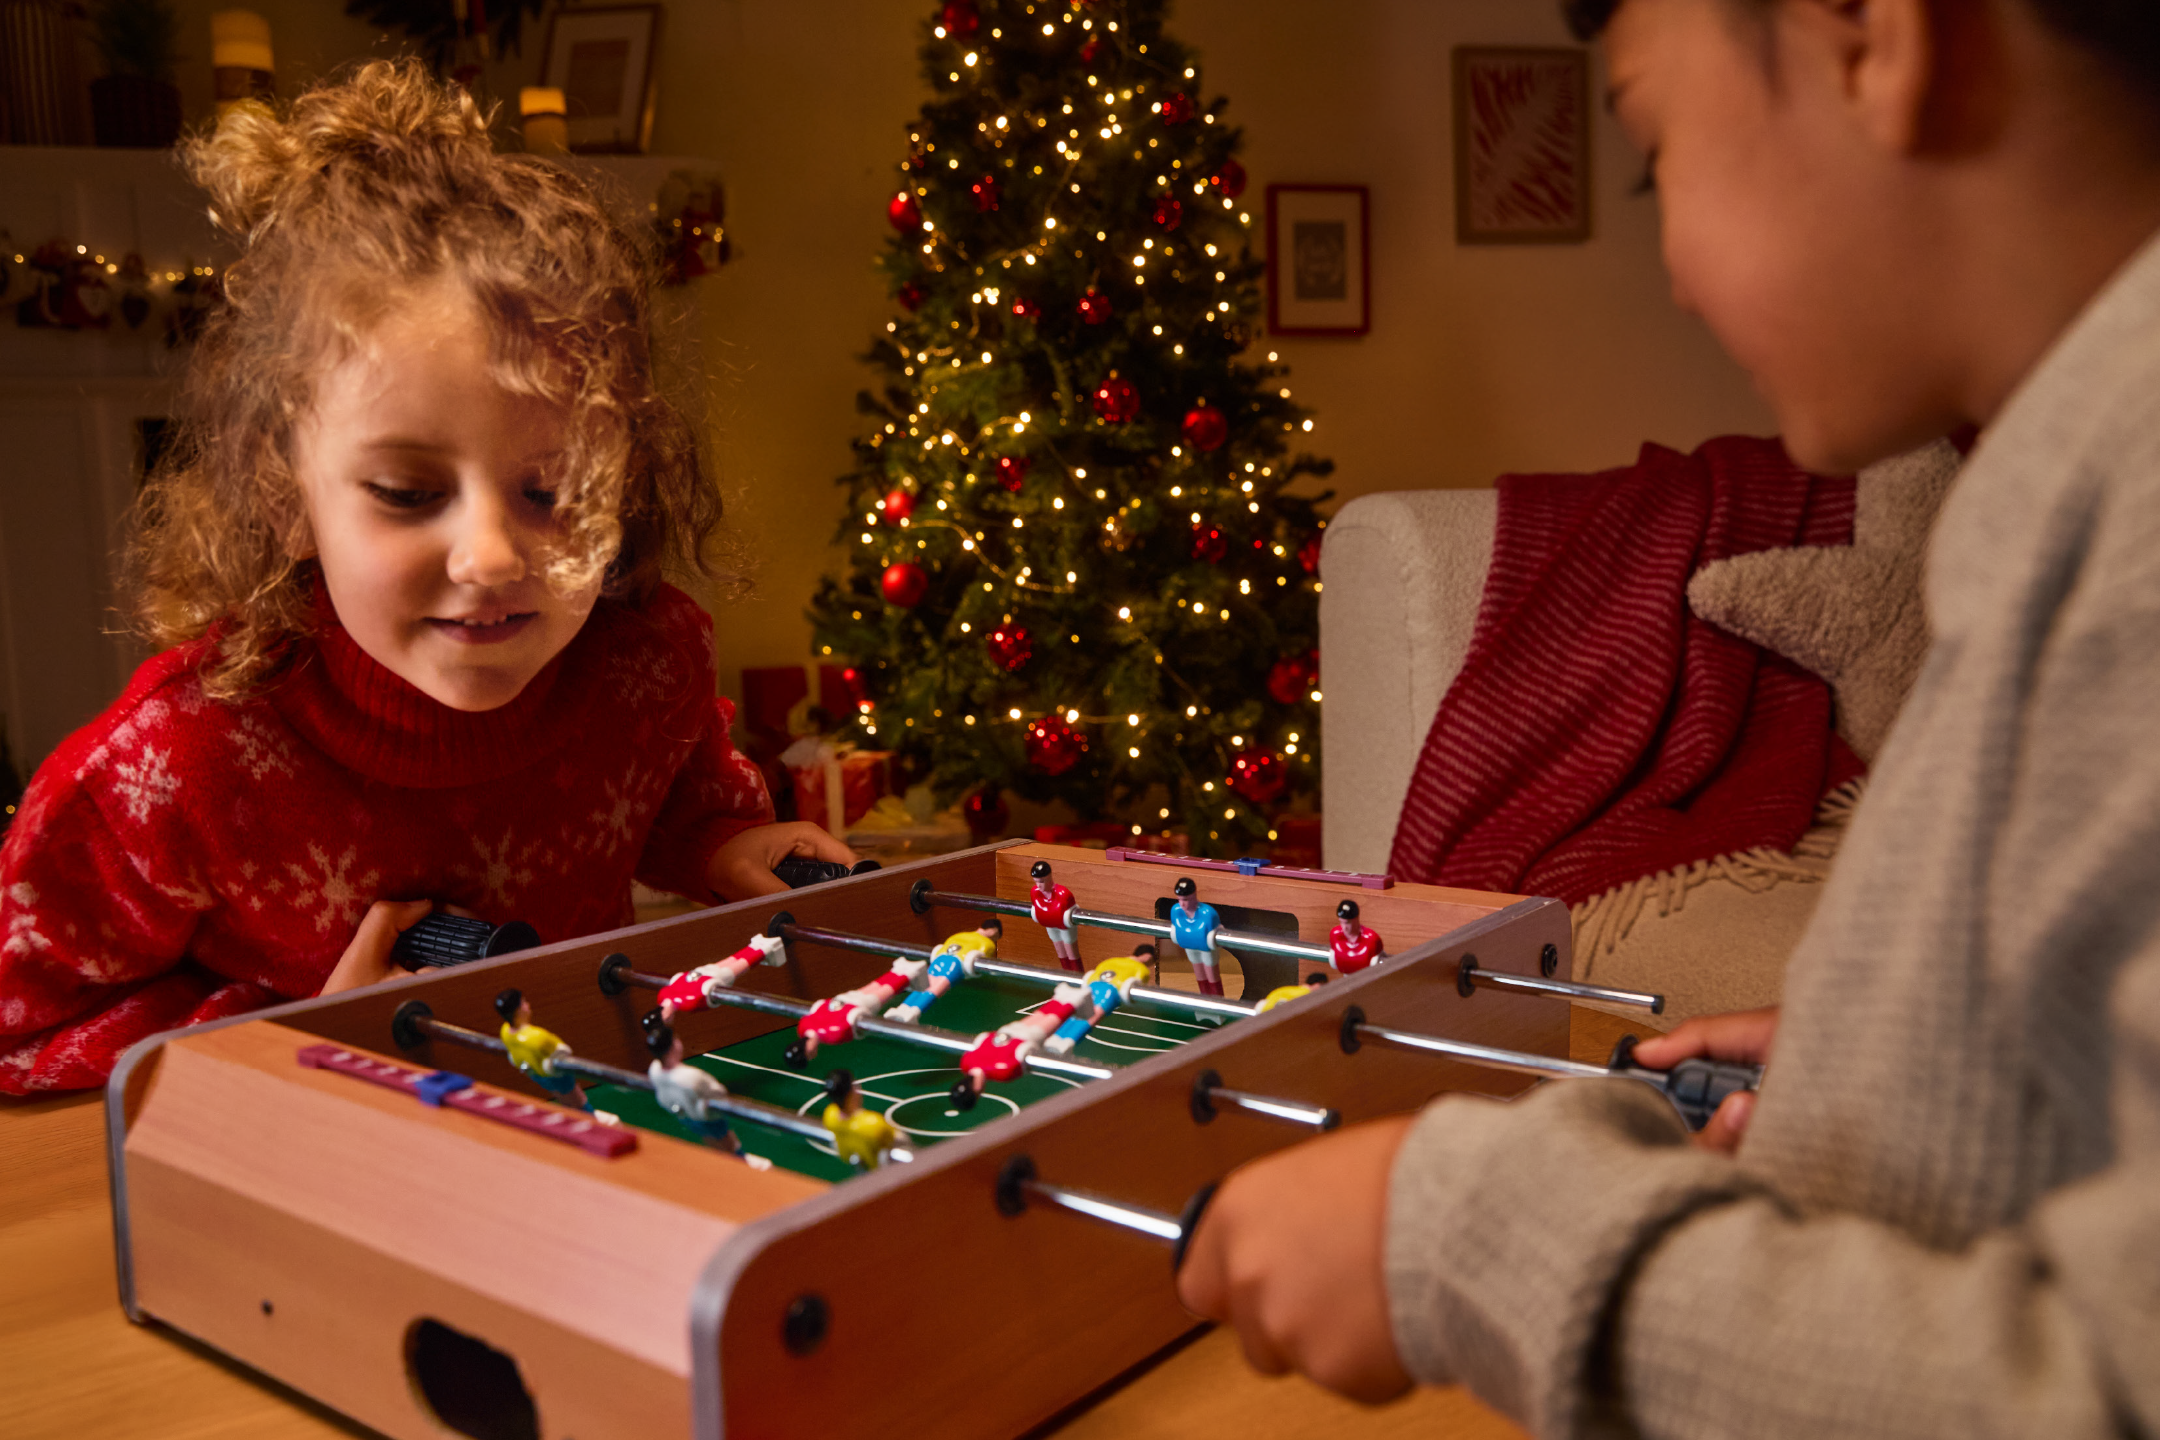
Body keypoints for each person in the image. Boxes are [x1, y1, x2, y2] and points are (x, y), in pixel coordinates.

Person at [1177, 0, 2160, 1432]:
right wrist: (1901, 1049)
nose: (1679, 280)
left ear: (1869, 37)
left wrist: (1473, 1235)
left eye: (1653, 151)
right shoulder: (2079, 493)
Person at [0, 62, 851, 1095]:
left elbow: (671, 798)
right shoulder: (180, 766)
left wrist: (723, 845)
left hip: (576, 1133)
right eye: (406, 493)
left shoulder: (645, 660)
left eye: (552, 488)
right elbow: (21, 1030)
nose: (491, 558)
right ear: (283, 492)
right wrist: (301, 1030)